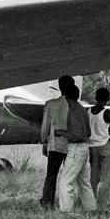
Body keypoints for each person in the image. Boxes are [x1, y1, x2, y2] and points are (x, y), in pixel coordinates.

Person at [57, 81, 96, 212]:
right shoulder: (82, 109)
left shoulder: (73, 112)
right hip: (85, 148)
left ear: (66, 97)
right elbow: (88, 132)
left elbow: (76, 135)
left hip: (75, 148)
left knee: (66, 181)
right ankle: (91, 208)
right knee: (84, 182)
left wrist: (61, 133)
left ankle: (66, 210)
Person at [39, 75, 75, 208]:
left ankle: (47, 202)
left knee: (51, 175)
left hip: (55, 145)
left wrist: (44, 142)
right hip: (71, 145)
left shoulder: (50, 104)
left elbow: (45, 126)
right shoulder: (76, 105)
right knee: (70, 177)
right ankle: (66, 203)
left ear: (59, 87)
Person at [87, 87, 110, 206]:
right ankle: (102, 205)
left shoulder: (89, 111)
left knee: (94, 176)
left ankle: (91, 202)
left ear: (96, 98)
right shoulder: (107, 112)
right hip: (104, 145)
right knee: (106, 178)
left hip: (91, 146)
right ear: (107, 99)